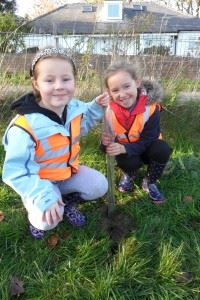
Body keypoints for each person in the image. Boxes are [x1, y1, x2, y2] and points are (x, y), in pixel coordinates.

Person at [2, 47, 109, 239]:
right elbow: (17, 173)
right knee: (47, 221)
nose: (59, 86)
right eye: (49, 80)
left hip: (66, 174)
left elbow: (82, 126)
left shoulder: (75, 108)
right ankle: (37, 212)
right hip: (39, 182)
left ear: (74, 80)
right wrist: (44, 195)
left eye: (66, 79)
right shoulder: (24, 125)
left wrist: (96, 107)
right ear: (36, 83)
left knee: (99, 185)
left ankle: (66, 202)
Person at [102, 62, 172, 204]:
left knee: (162, 149)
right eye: (115, 90)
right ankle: (130, 173)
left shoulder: (151, 108)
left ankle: (150, 180)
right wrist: (105, 144)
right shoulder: (107, 111)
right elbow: (106, 145)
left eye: (127, 86)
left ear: (137, 83)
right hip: (128, 154)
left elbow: (149, 139)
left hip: (149, 149)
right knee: (123, 157)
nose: (122, 94)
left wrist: (125, 148)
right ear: (109, 92)